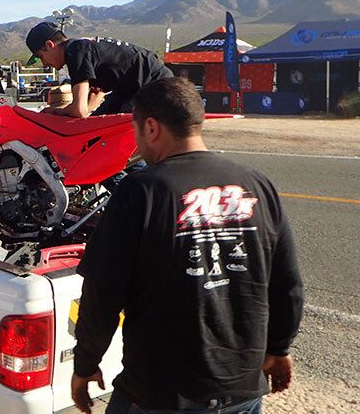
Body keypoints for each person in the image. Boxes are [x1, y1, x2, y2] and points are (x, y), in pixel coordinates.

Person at [70, 77, 303, 414]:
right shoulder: (257, 184)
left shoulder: (141, 191)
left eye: (136, 133)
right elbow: (288, 284)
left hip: (159, 394)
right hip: (242, 392)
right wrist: (279, 348)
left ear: (151, 127)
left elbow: (102, 294)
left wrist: (85, 365)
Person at [26, 21, 173, 117]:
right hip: (130, 89)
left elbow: (79, 110)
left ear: (49, 45)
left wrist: (55, 112)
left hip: (153, 86)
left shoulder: (74, 51)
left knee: (118, 140)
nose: (44, 64)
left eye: (41, 57)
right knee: (94, 129)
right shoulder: (81, 48)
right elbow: (93, 99)